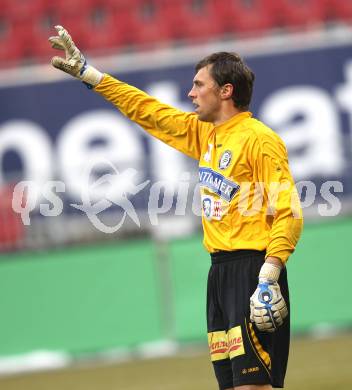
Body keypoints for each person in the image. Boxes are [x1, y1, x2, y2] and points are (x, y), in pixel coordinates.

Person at [49, 26, 303, 390]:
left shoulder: (260, 140)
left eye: (199, 85)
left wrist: (270, 272)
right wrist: (92, 75)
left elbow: (289, 211)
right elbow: (148, 111)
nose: (191, 93)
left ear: (226, 91)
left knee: (253, 386)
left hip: (253, 271)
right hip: (219, 275)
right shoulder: (206, 134)